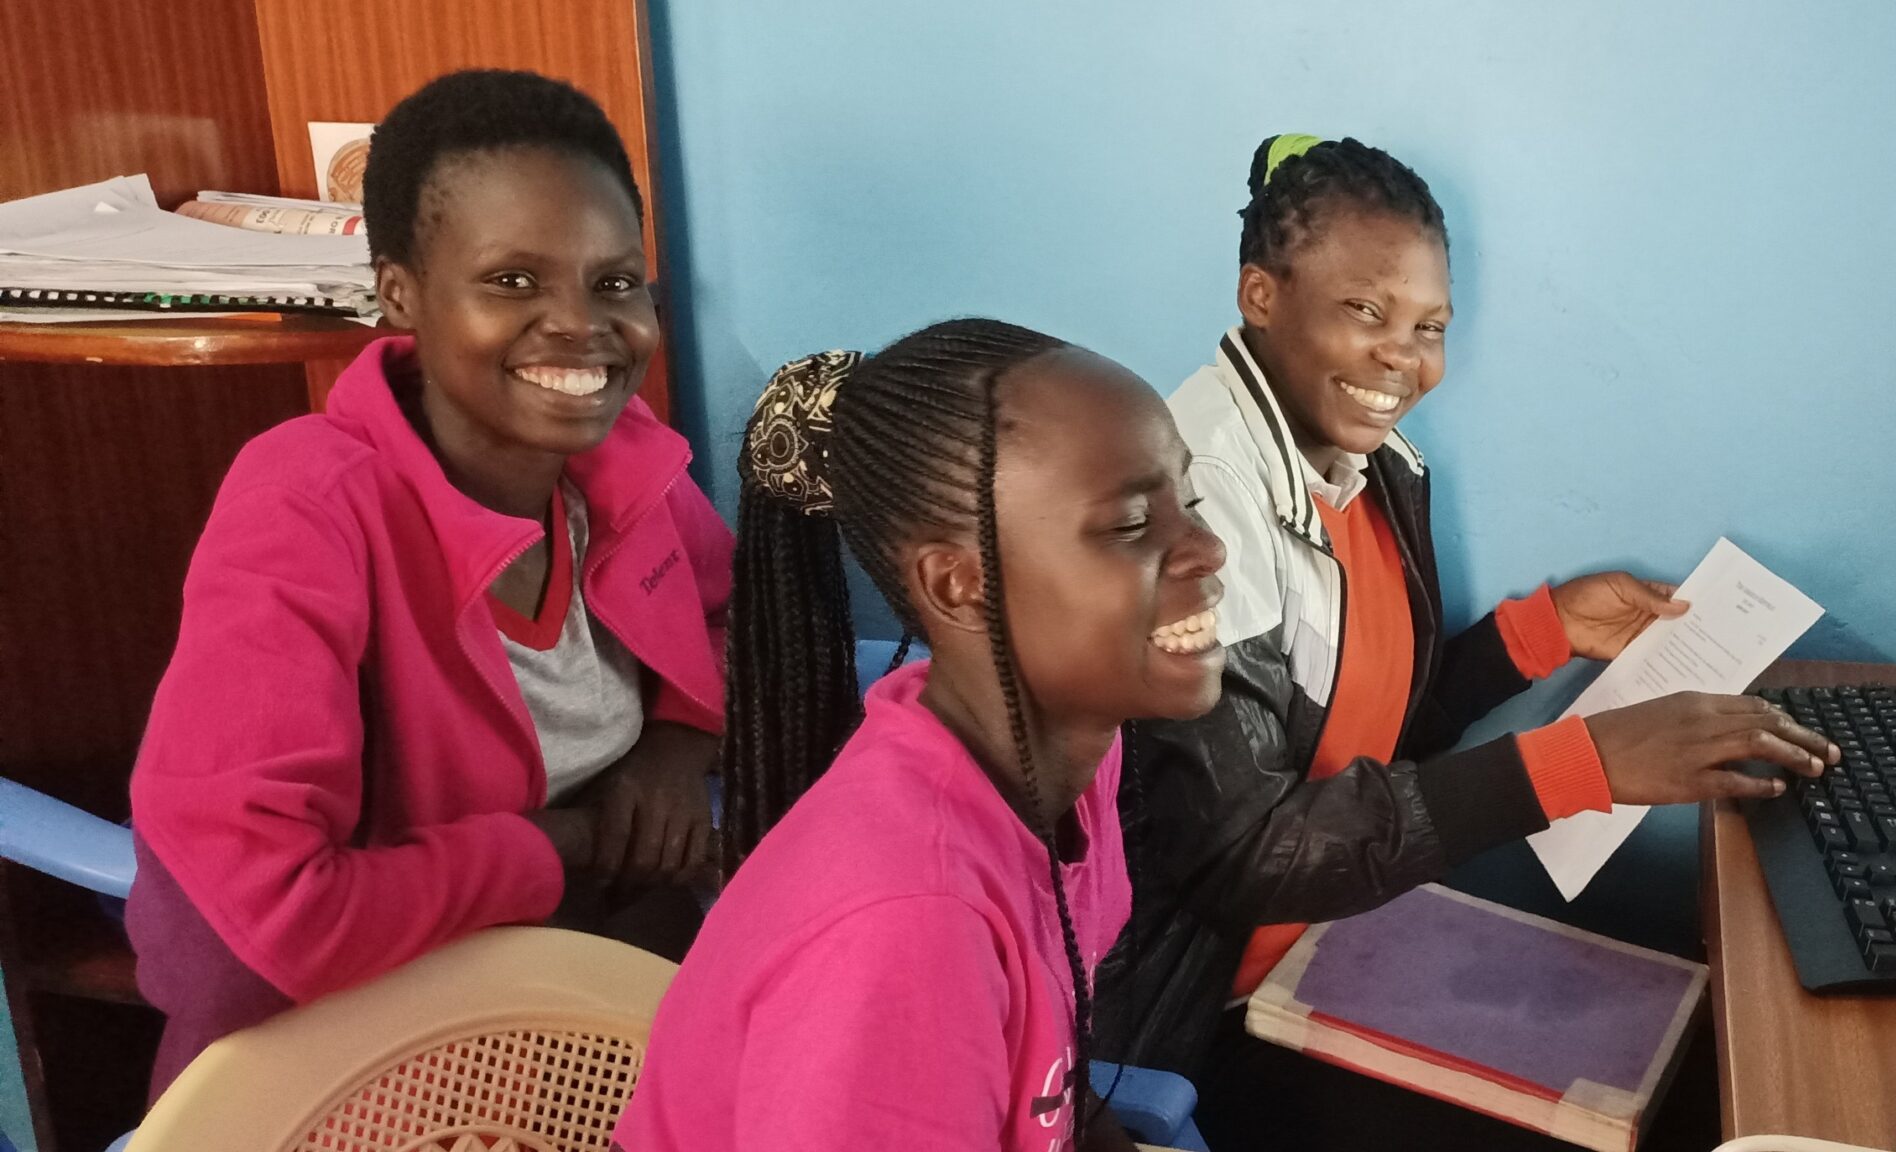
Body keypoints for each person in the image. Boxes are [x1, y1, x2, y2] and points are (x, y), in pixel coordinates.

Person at [1096, 134, 1839, 1144]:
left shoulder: (1371, 463)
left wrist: (1540, 635)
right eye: (1366, 311)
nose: (1402, 358)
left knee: (1690, 1066)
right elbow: (1243, 852)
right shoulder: (1202, 506)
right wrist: (1583, 764)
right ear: (1260, 295)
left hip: (1347, 933)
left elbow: (1370, 737)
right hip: (1211, 1026)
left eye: (1429, 326)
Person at [124, 70, 729, 1091]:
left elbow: (723, 616)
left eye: (615, 281)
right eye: (513, 282)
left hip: (575, 981)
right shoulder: (307, 506)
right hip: (356, 1049)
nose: (582, 325)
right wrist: (570, 843)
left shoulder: (623, 462)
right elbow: (280, 917)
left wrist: (673, 750)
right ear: (400, 293)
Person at [618, 320, 1224, 1151]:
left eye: (1184, 501)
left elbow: (1053, 1080)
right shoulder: (907, 926)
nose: (1208, 547)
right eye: (1128, 525)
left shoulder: (1073, 759)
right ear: (960, 586)